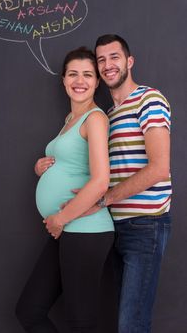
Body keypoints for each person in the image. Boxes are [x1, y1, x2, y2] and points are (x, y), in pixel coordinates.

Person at [37, 35, 172, 333]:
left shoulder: (149, 100)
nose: (108, 65)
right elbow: (86, 163)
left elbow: (160, 168)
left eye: (115, 57)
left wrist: (103, 198)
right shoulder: (110, 113)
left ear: (129, 61)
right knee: (115, 317)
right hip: (116, 222)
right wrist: (47, 166)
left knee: (131, 323)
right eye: (102, 60)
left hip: (145, 224)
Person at [16, 47, 114, 333]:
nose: (79, 80)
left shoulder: (95, 119)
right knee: (29, 311)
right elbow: (71, 162)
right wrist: (41, 168)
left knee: (80, 322)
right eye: (73, 74)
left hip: (85, 228)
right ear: (63, 80)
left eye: (87, 74)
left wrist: (60, 218)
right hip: (68, 229)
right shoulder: (70, 120)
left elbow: (100, 181)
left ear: (97, 82)